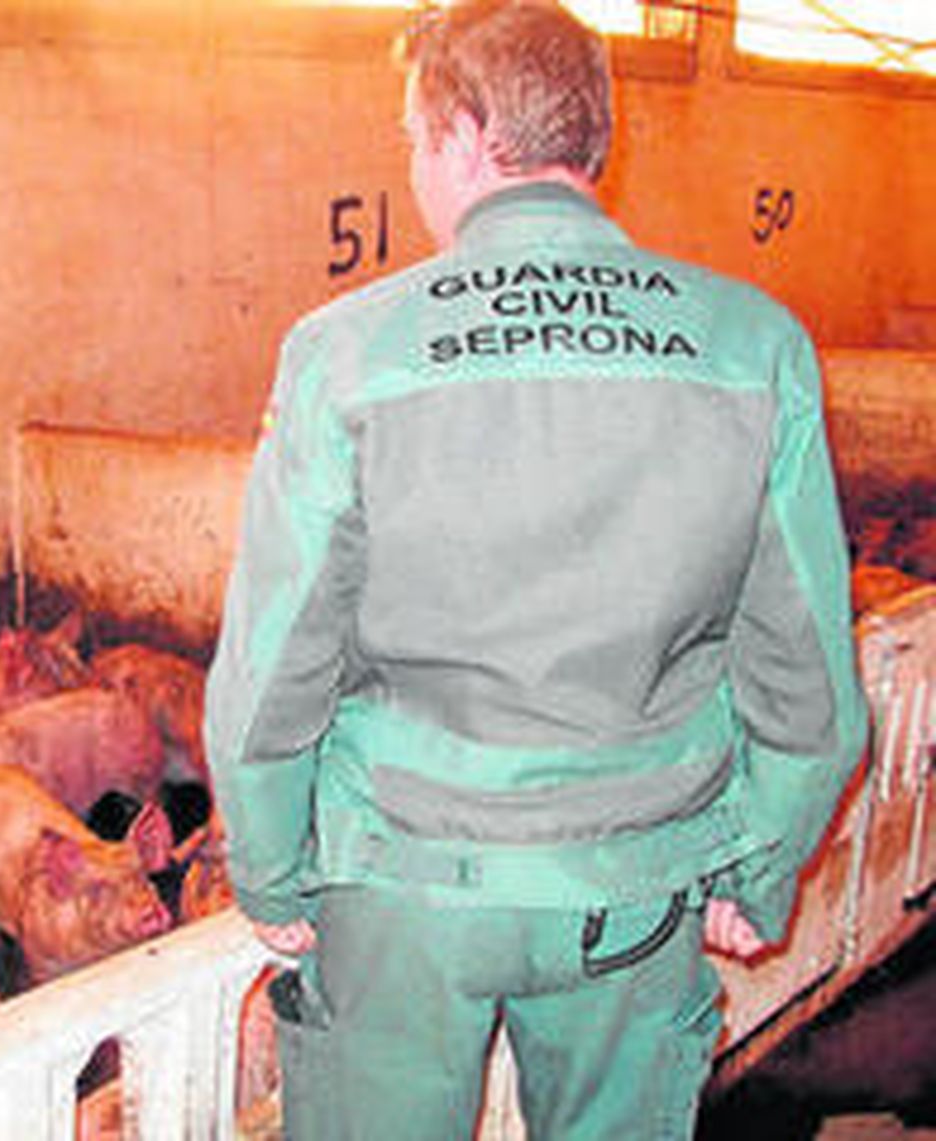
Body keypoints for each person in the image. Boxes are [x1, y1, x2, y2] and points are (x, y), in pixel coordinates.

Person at [202, 1, 869, 1137]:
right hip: (637, 888)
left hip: (403, 885)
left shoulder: (344, 352)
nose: (413, 171)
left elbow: (274, 665)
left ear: (467, 135)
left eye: (414, 141)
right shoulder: (755, 344)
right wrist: (756, 863)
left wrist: (267, 866)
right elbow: (807, 676)